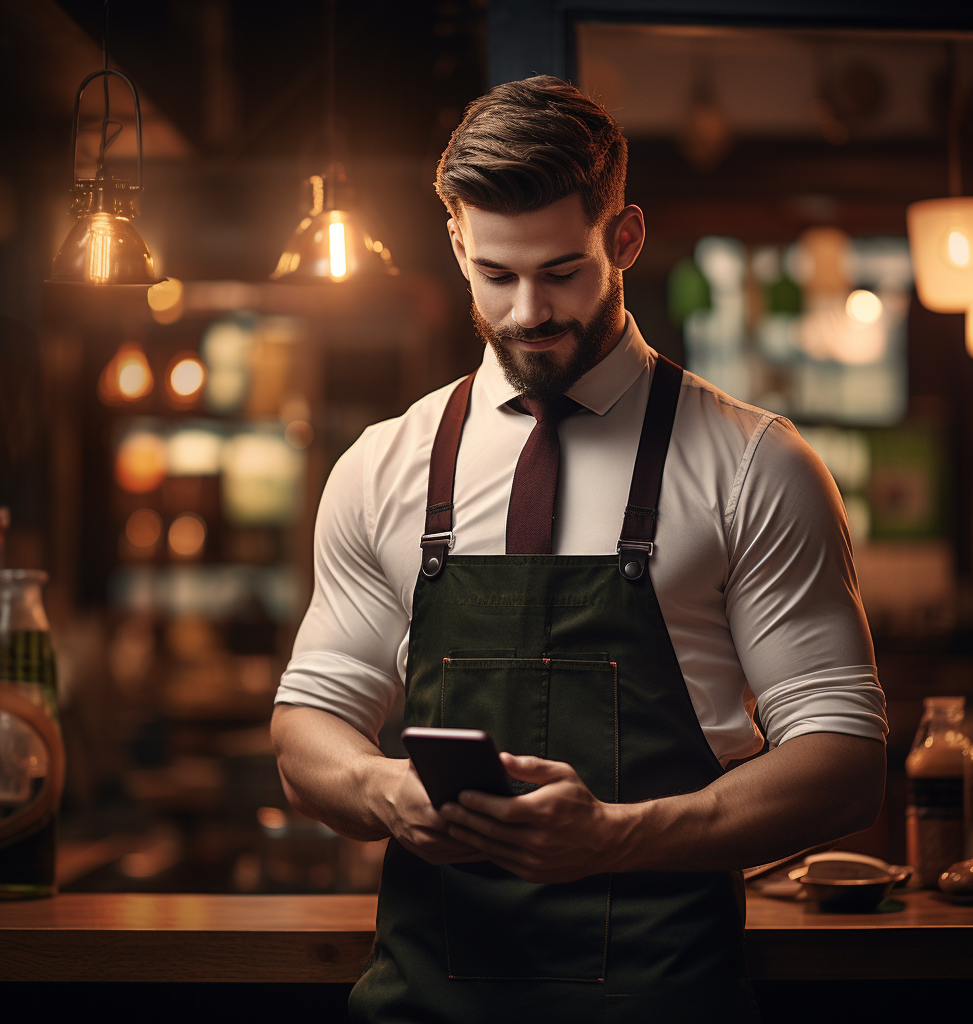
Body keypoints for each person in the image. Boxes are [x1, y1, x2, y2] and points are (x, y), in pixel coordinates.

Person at [272, 76, 887, 1023]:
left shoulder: (754, 463)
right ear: (456, 245)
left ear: (625, 239)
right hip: (423, 1006)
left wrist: (615, 839)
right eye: (496, 275)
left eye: (562, 271)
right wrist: (380, 787)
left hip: (664, 1001)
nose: (527, 312)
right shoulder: (381, 466)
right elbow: (306, 727)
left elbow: (843, 759)